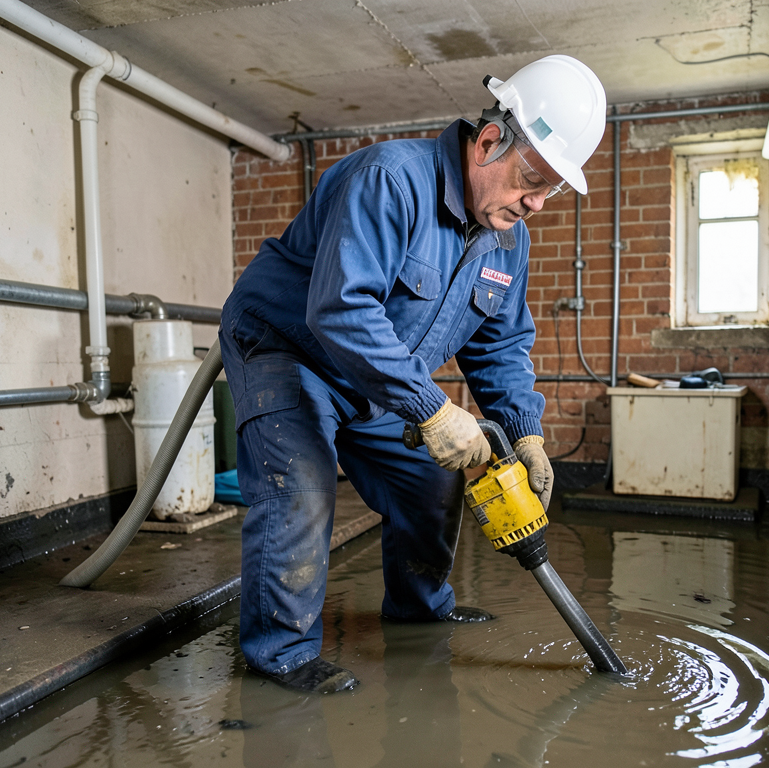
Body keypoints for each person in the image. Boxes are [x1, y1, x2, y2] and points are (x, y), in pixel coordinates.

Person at [218, 54, 607, 693]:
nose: (536, 203)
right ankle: (280, 656)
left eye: (552, 189)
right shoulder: (390, 181)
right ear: (489, 142)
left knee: (432, 480)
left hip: (375, 377)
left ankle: (419, 609)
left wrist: (525, 431)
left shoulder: (507, 239)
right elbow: (341, 309)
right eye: (532, 179)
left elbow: (501, 344)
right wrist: (431, 409)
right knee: (303, 486)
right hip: (288, 350)